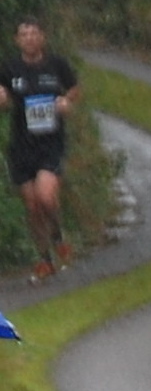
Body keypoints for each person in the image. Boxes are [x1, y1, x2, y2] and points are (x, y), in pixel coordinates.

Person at [3, 18, 81, 281]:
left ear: (42, 37)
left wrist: (66, 101)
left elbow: (74, 88)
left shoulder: (56, 65)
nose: (29, 38)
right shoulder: (9, 68)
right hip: (22, 146)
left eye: (33, 33)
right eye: (24, 34)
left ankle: (58, 235)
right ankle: (45, 259)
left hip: (51, 143)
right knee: (33, 206)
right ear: (17, 40)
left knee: (46, 196)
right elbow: (3, 96)